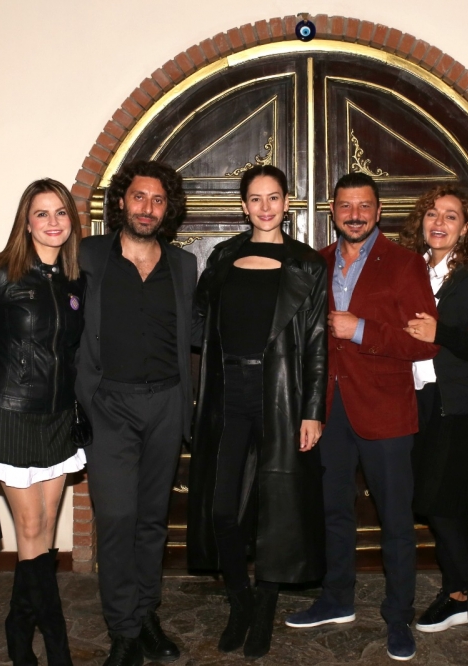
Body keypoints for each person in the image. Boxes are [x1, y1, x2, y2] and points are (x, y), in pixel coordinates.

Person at [0, 161, 199, 666]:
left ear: (168, 209)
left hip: (166, 403)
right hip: (108, 406)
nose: (147, 208)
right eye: (138, 197)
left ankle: (146, 614)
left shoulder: (184, 265)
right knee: (116, 519)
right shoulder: (88, 255)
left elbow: (196, 333)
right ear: (121, 202)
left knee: (152, 521)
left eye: (158, 200)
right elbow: (35, 270)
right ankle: (123, 630)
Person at [284, 172, 438, 662]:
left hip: (386, 411)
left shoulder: (406, 264)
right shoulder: (317, 262)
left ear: (378, 212)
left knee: (395, 520)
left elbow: (425, 342)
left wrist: (360, 329)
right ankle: (337, 600)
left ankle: (399, 616)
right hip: (330, 411)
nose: (355, 215)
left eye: (364, 206)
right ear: (333, 211)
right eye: (346, 206)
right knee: (333, 513)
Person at [187, 165, 328, 658]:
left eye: (273, 198)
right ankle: (240, 601)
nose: (265, 207)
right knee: (222, 507)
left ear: (286, 203)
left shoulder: (307, 264)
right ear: (244, 206)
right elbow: (198, 324)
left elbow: (317, 343)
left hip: (282, 395)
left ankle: (265, 607)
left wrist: (313, 411)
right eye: (255, 198)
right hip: (228, 393)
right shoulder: (223, 257)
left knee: (277, 509)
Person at [0, 178, 86, 666]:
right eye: (41, 214)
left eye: (61, 213)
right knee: (31, 526)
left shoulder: (75, 280)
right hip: (8, 415)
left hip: (57, 418)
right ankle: (56, 647)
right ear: (26, 223)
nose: (53, 222)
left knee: (44, 531)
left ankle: (19, 627)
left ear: (71, 221)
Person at [401, 185, 468, 631]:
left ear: (465, 228)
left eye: (450, 215)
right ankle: (463, 586)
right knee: (432, 502)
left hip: (462, 404)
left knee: (442, 503)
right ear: (421, 222)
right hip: (416, 400)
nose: (439, 222)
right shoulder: (409, 272)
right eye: (432, 214)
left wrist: (442, 333)